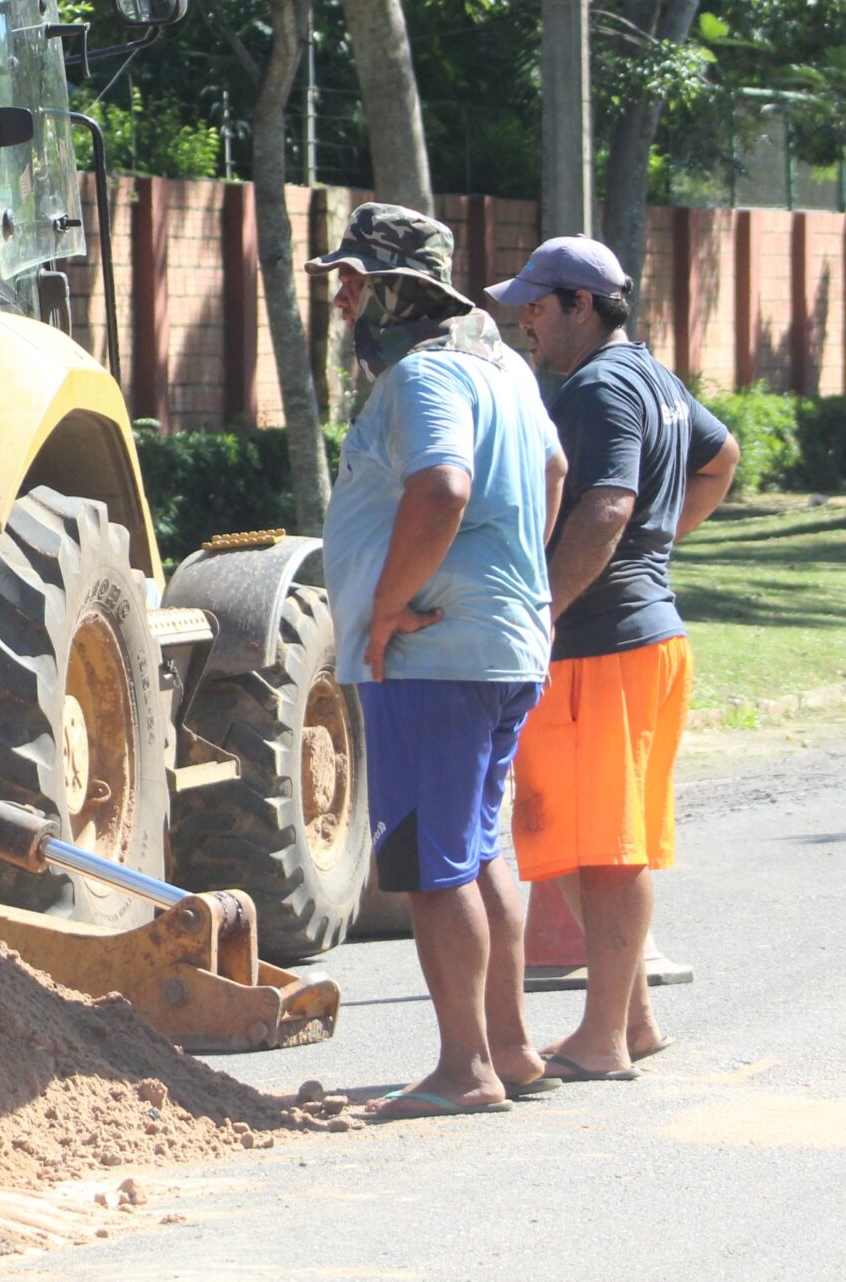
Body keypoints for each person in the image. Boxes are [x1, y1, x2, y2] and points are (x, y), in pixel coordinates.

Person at [309, 203, 565, 1121]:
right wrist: (512, 570)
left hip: (430, 653)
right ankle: (514, 1047)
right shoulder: (507, 373)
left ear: (394, 288)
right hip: (501, 643)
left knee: (429, 864)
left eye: (350, 280)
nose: (340, 300)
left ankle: (465, 1068)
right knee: (479, 847)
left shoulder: (422, 378)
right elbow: (553, 474)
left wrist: (385, 609)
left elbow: (443, 486)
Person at [488, 236, 737, 1081]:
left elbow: (605, 510)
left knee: (605, 843)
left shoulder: (598, 387)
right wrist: (655, 555)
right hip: (644, 636)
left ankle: (602, 1039)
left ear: (580, 306)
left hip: (601, 644)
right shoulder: (655, 378)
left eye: (535, 303)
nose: (525, 319)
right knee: (588, 837)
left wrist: (540, 612)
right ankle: (632, 1021)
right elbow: (721, 458)